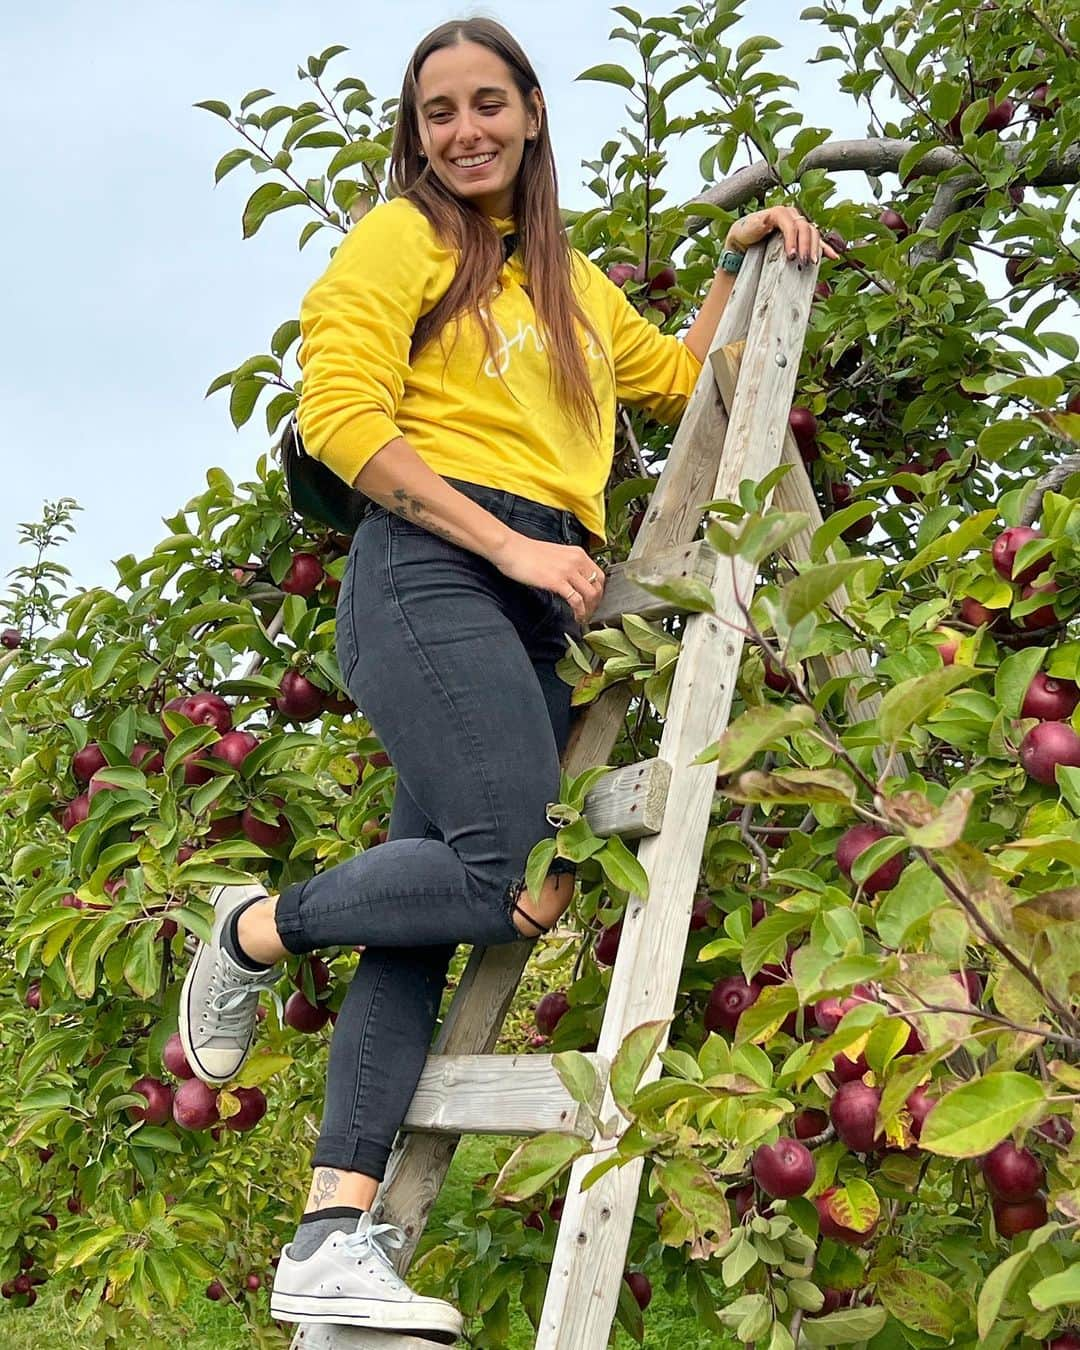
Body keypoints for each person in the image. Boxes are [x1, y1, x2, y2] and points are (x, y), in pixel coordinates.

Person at [177, 15, 828, 1340]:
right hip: (430, 566)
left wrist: (741, 258)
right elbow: (341, 420)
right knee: (492, 869)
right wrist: (510, 542)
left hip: (525, 598)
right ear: (415, 134)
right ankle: (249, 930)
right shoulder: (401, 241)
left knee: (444, 913)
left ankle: (328, 1231)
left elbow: (676, 379)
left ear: (532, 111)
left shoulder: (570, 281)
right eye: (438, 112)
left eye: (488, 103)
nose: (464, 130)